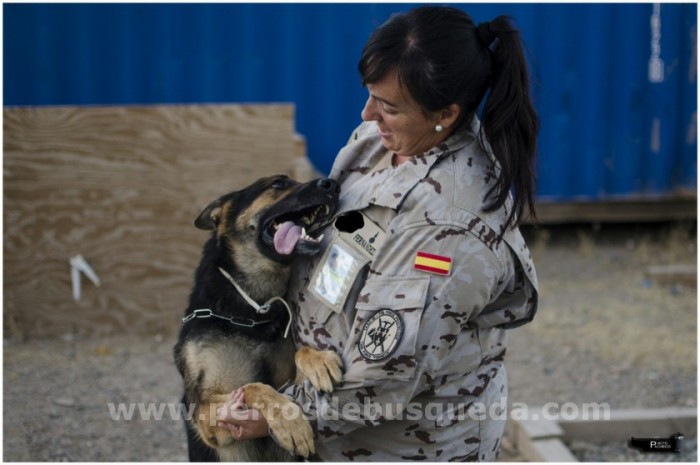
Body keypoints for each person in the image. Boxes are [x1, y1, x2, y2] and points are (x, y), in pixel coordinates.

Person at [217, 5, 539, 461]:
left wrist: (278, 411)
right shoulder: (382, 139)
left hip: (397, 444)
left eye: (388, 106)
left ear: (445, 113)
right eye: (371, 95)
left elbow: (383, 378)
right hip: (331, 420)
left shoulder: (446, 229)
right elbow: (346, 238)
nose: (367, 113)